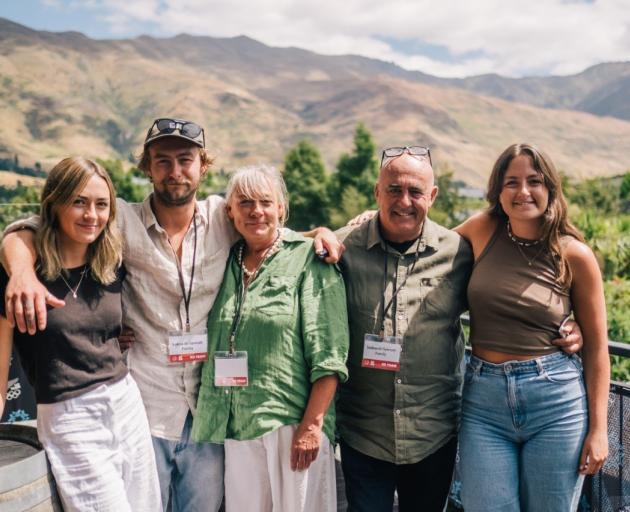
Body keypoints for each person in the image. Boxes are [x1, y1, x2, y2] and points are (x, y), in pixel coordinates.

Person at [1, 118, 342, 511]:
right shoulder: (120, 222)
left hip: (209, 414)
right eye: (163, 161)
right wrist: (22, 270)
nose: (175, 172)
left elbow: (271, 229)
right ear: (147, 167)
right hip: (145, 411)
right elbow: (30, 226)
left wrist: (323, 234)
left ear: (203, 167)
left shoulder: (223, 217)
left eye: (185, 160)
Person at [334, 146, 585, 512]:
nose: (405, 201)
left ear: (432, 196)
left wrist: (562, 321)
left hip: (433, 433)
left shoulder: (456, 251)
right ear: (377, 192)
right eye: (393, 190)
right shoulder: (344, 247)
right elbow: (287, 248)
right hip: (364, 432)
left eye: (416, 191)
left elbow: (508, 290)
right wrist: (323, 231)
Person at [0, 157, 161, 511]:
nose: (92, 215)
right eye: (79, 201)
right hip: (69, 416)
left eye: (101, 204)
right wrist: (21, 268)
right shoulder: (20, 277)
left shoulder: (110, 262)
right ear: (54, 203)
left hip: (125, 401)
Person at [455, 143, 609, 511]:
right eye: (512, 182)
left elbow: (598, 348)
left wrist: (600, 431)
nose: (523, 191)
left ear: (550, 189)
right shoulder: (481, 229)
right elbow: (425, 248)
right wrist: (364, 225)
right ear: (498, 191)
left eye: (534, 181)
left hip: (555, 402)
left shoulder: (574, 254)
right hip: (483, 402)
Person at [192, 165, 349, 512]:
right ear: (230, 211)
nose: (256, 211)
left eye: (266, 201)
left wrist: (312, 425)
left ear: (281, 208)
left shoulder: (311, 258)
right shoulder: (225, 259)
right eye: (245, 202)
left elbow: (330, 351)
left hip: (291, 424)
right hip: (235, 423)